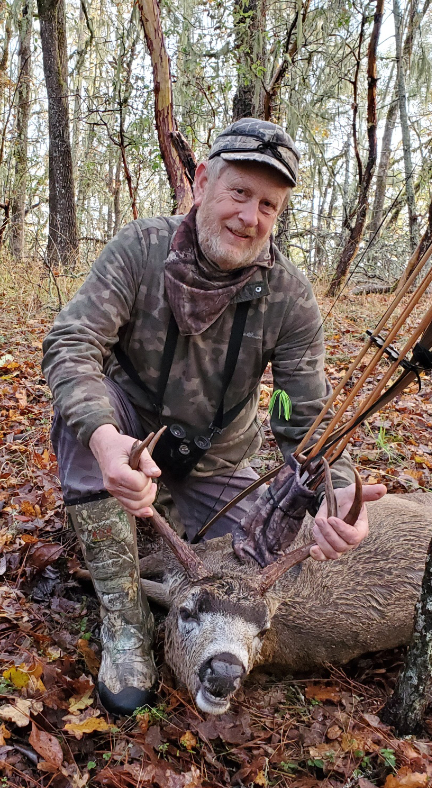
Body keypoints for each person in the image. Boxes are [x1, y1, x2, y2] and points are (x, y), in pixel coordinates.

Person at [42, 118, 386, 715]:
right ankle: (126, 625)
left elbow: (300, 415)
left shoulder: (290, 297)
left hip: (218, 461)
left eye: (269, 205)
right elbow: (73, 345)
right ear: (202, 182)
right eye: (239, 193)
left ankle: (176, 548)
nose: (250, 217)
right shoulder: (140, 249)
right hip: (131, 437)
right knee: (82, 417)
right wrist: (103, 438)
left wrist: (337, 491)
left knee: (278, 544)